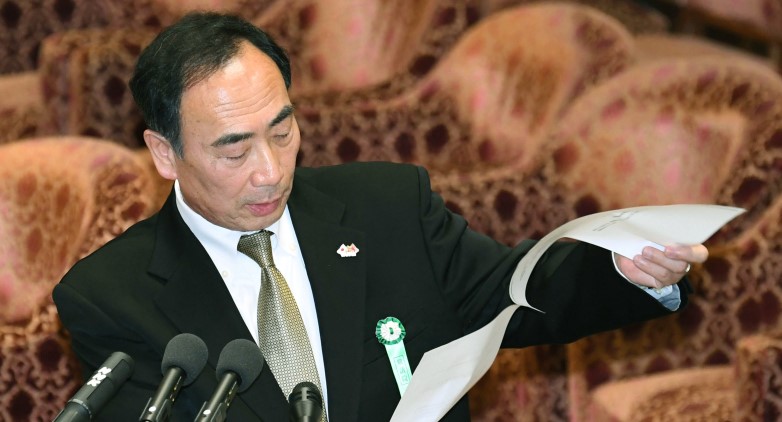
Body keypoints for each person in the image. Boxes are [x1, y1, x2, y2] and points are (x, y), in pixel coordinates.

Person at [53, 12, 707, 421]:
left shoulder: (386, 209)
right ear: (164, 154)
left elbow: (513, 293)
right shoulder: (111, 298)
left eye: (282, 131)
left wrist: (624, 268)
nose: (270, 171)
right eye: (234, 149)